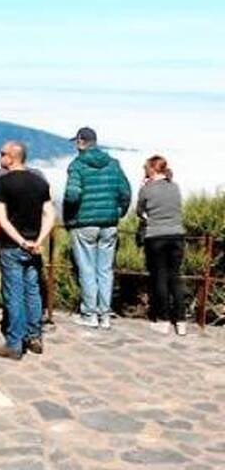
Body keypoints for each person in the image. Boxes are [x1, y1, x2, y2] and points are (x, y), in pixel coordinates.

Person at [0, 142, 55, 360]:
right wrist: (38, 240)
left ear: (11, 157)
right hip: (34, 246)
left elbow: (2, 218)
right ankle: (34, 336)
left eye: (2, 154)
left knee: (14, 293)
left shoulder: (2, 183)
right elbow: (50, 214)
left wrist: (20, 241)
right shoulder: (40, 182)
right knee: (32, 291)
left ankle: (14, 343)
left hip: (11, 246)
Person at [63, 127, 132, 330]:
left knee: (87, 269)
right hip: (109, 225)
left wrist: (70, 218)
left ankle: (90, 314)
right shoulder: (113, 164)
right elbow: (125, 192)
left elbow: (72, 195)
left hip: (84, 224)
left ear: (81, 142)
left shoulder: (77, 166)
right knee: (105, 270)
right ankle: (105, 315)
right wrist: (118, 212)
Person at [137, 156, 187, 336]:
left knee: (160, 277)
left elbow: (140, 211)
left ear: (151, 169)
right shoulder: (175, 187)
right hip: (177, 235)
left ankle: (164, 319)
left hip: (156, 236)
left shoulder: (146, 189)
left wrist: (144, 187)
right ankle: (181, 321)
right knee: (175, 277)